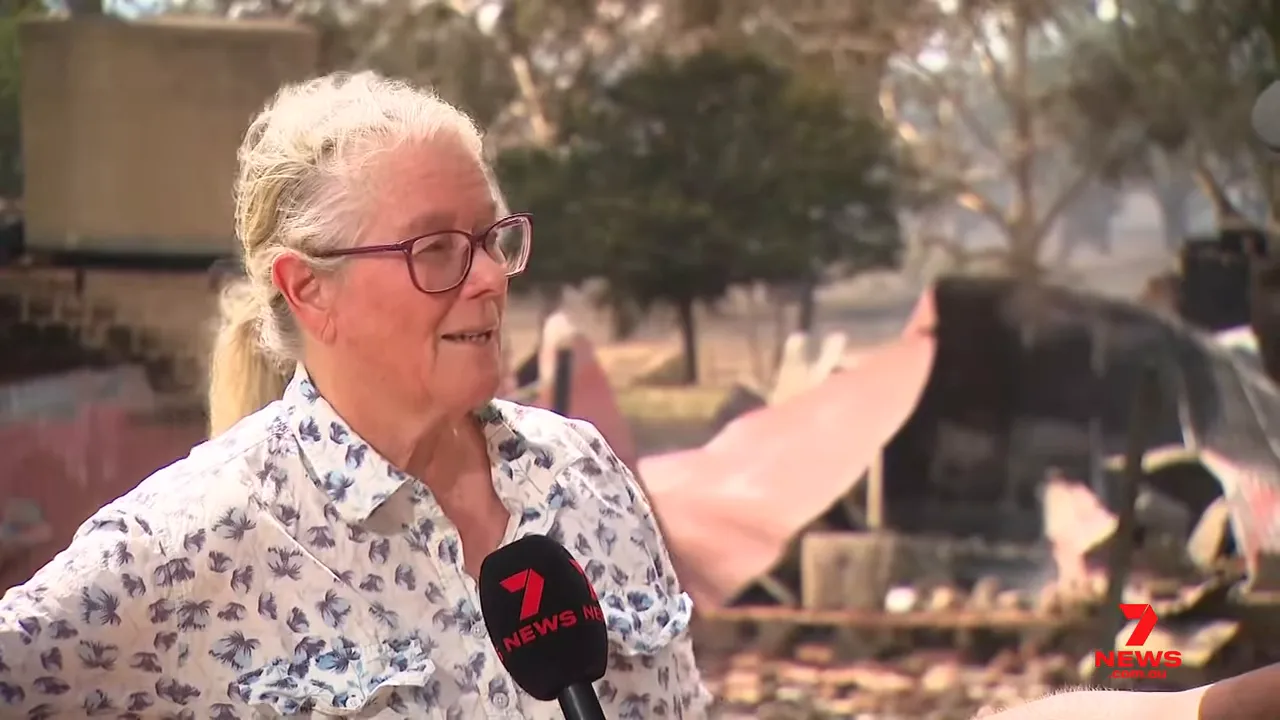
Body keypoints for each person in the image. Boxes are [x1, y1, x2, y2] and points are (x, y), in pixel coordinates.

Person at [0, 71, 709, 719]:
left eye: (492, 239)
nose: (492, 277)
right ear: (309, 289)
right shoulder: (191, 542)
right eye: (436, 248)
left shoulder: (582, 472)